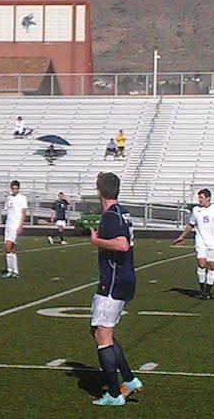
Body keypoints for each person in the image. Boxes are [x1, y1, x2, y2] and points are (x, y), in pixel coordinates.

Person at [89, 172, 141, 406]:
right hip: (124, 278)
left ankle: (113, 393)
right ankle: (128, 379)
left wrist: (97, 241)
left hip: (112, 281)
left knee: (103, 335)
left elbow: (121, 244)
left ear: (99, 191)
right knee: (98, 330)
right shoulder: (123, 212)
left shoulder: (110, 216)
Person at [174, 188, 214, 299]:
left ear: (208, 198)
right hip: (200, 241)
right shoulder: (196, 210)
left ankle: (207, 291)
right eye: (199, 197)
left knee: (211, 267)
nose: (199, 200)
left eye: (201, 197)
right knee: (201, 264)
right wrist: (182, 237)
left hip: (213, 243)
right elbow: (191, 225)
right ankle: (202, 291)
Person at [2, 180, 27, 279]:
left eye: (16, 188)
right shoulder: (8, 198)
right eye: (13, 188)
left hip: (15, 226)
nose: (15, 190)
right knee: (11, 249)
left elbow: (23, 212)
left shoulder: (22, 198)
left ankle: (9, 270)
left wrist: (20, 225)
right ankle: (14, 271)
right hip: (8, 225)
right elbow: (8, 211)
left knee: (7, 247)